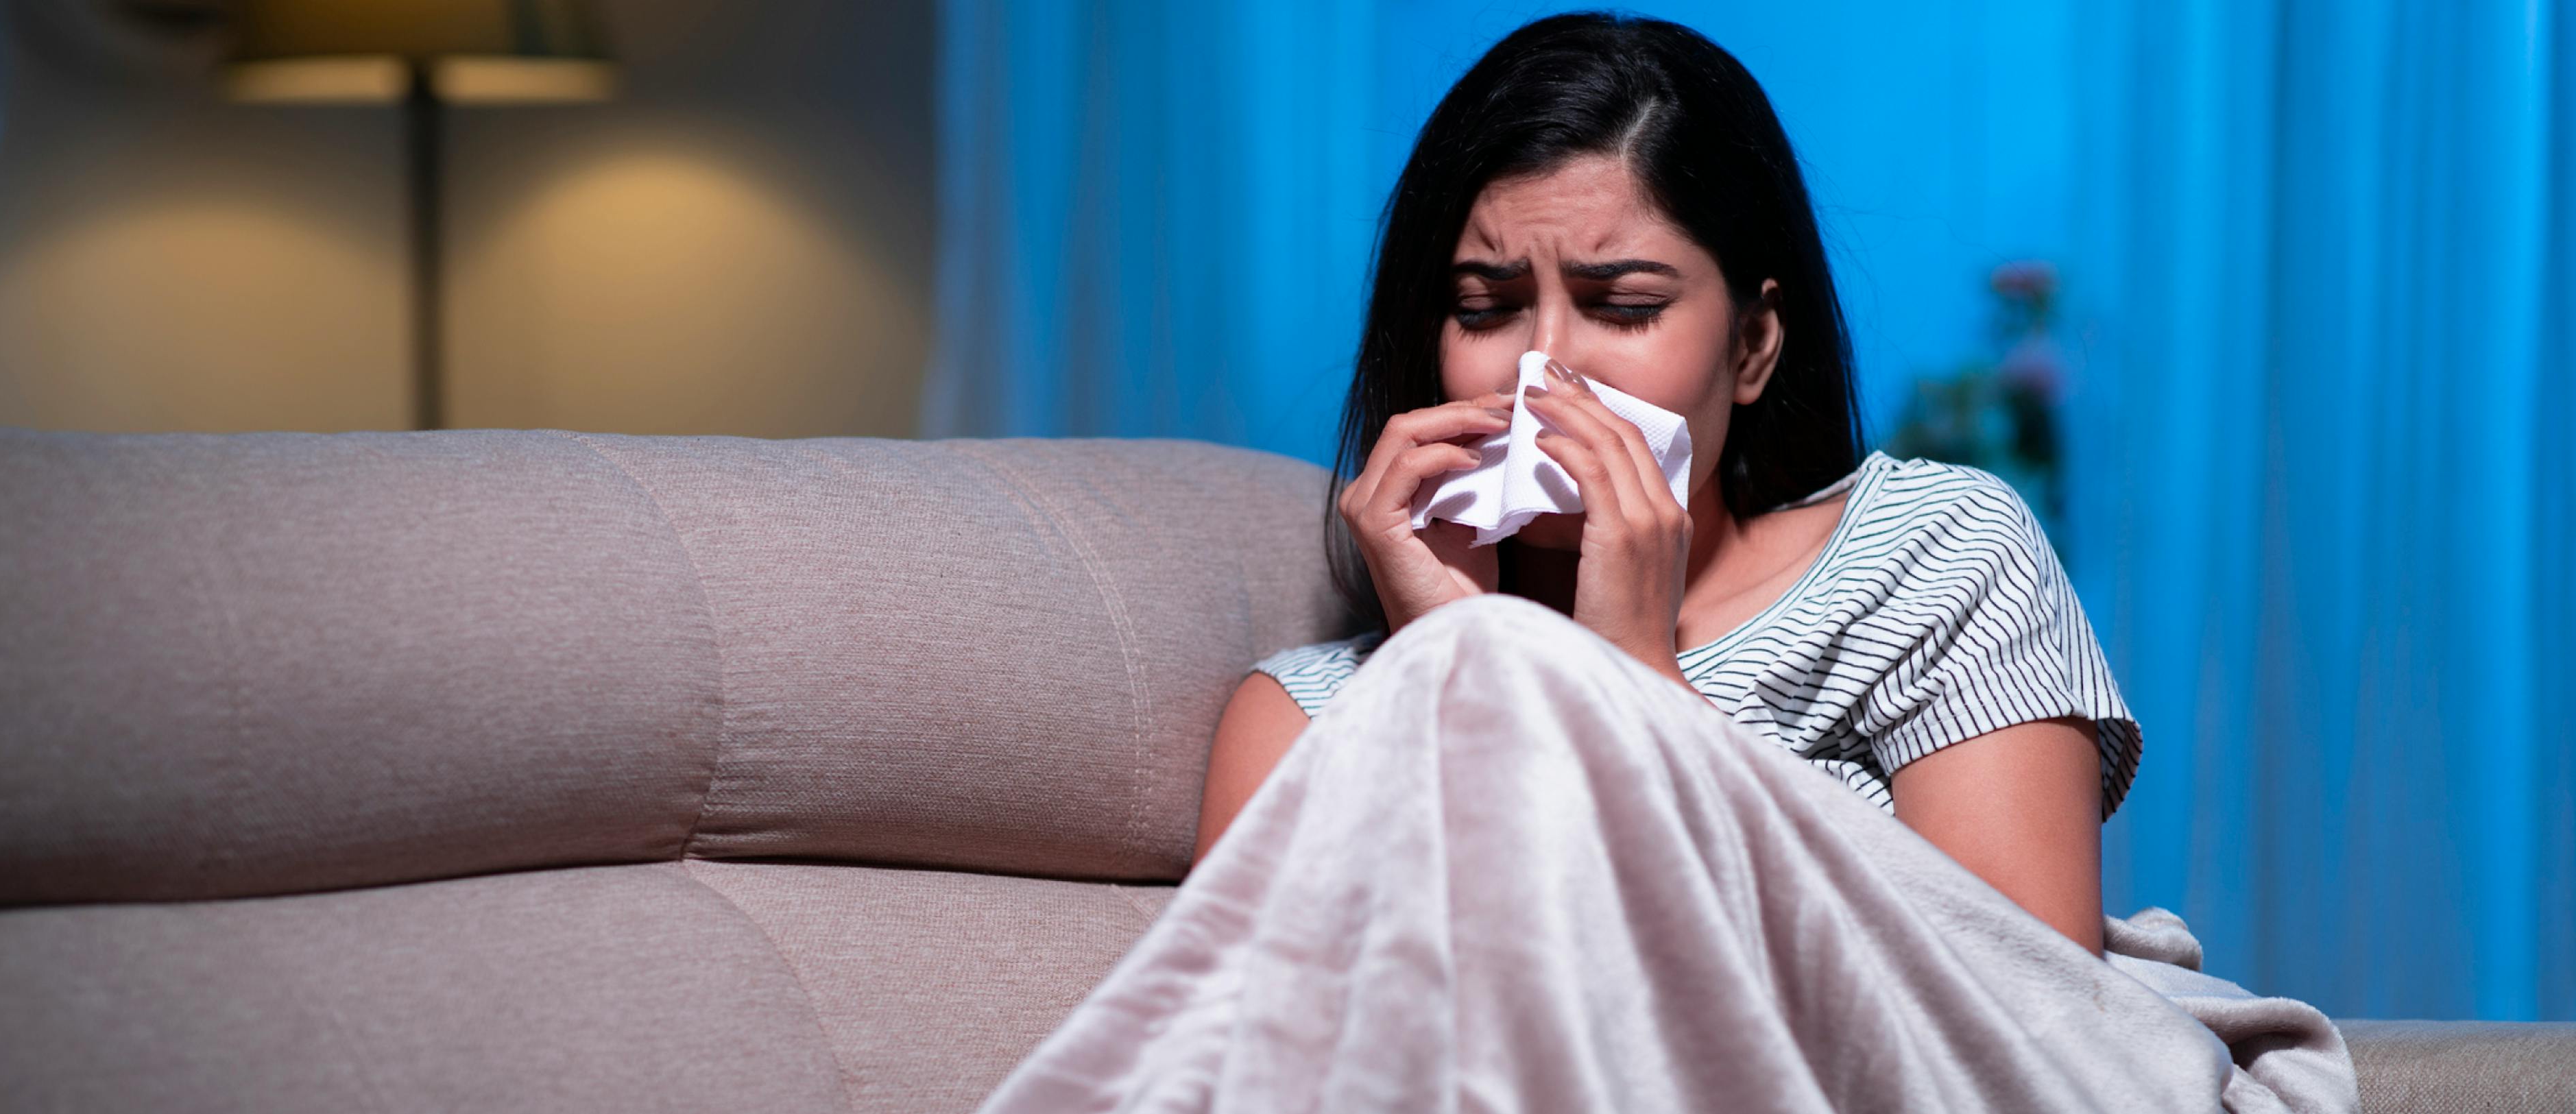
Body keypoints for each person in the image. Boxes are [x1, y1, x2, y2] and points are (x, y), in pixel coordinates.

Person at [978, 12, 2354, 1112]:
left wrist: (1638, 685)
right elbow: (1290, 1069)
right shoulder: (1307, 717)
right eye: (1486, 307)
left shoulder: (1931, 552)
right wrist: (1469, 660)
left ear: (1751, 346)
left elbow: (2019, 1032)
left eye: (1623, 306)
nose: (1546, 365)